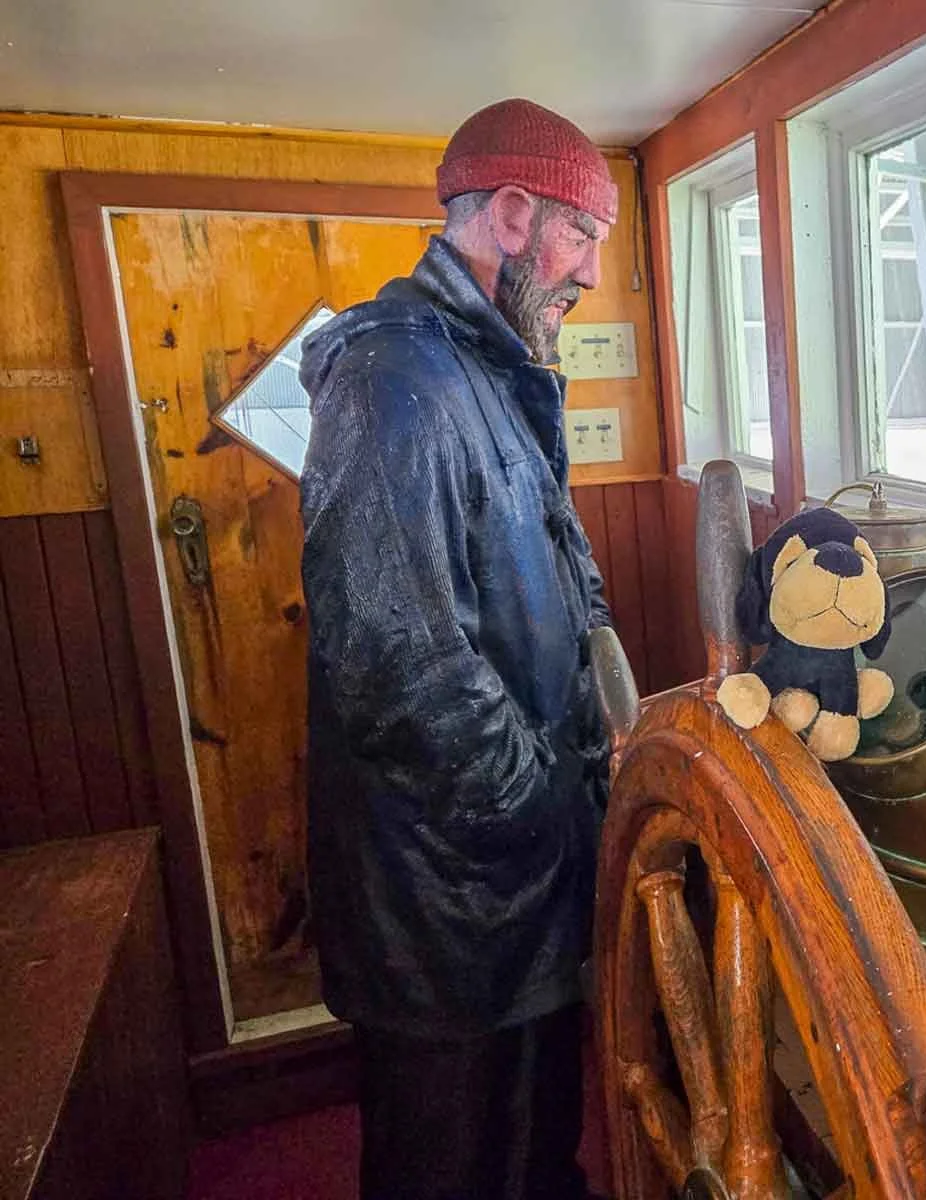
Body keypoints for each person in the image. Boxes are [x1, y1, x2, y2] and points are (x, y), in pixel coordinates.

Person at [298, 98, 616, 1200]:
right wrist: (541, 810)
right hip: (450, 892)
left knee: (532, 1146)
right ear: (518, 215)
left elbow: (550, 572)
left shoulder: (478, 370)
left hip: (505, 877)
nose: (589, 276)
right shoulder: (397, 379)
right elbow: (398, 664)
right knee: (451, 1160)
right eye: (584, 237)